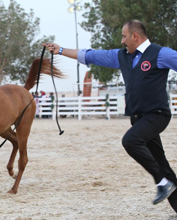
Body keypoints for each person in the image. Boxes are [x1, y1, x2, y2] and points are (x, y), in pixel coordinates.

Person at [43, 20, 177, 213]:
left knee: (130, 140)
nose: (122, 41)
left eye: (124, 36)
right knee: (161, 163)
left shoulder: (161, 53)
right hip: (138, 118)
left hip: (157, 114)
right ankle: (167, 184)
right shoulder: (121, 56)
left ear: (135, 36)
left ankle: (162, 182)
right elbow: (91, 56)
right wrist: (61, 50)